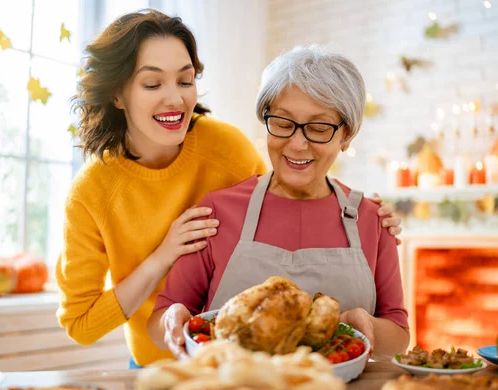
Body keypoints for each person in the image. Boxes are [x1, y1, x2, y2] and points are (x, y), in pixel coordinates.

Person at [56, 9, 402, 369]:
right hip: (163, 361)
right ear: (118, 94)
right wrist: (164, 255)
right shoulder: (92, 192)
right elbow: (81, 325)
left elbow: (282, 194)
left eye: (185, 80)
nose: (174, 100)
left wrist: (368, 219)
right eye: (152, 84)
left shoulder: (226, 148)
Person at [149, 45, 410, 360]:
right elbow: (161, 318)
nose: (297, 145)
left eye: (318, 128)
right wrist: (172, 316)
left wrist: (363, 325)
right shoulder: (218, 211)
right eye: (283, 124)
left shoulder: (372, 219)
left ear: (346, 135)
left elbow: (398, 334)